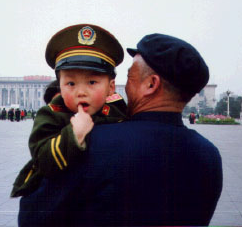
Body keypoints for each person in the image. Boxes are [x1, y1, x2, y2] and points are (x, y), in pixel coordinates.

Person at [18, 33, 223, 226]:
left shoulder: (91, 143)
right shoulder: (209, 155)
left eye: (130, 77)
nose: (123, 88)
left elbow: (32, 218)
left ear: (151, 84)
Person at [11, 24, 127, 198]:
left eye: (92, 82)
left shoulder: (118, 111)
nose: (81, 92)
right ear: (60, 86)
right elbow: (42, 161)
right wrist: (74, 134)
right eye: (71, 84)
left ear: (111, 87)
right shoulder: (50, 114)